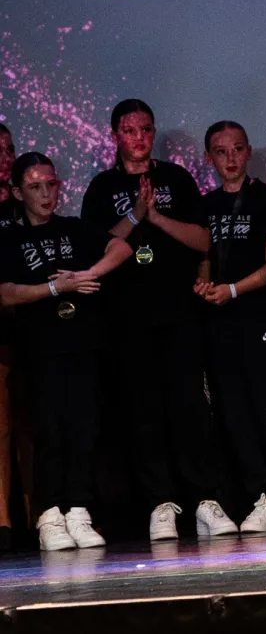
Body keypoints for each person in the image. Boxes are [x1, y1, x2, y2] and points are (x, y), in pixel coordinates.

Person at [81, 99, 237, 540]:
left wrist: (156, 216)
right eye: (129, 131)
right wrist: (134, 215)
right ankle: (160, 503)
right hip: (127, 318)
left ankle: (205, 499)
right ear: (115, 136)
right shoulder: (102, 187)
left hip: (179, 313)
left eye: (146, 129)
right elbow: (95, 246)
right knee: (143, 412)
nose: (139, 138)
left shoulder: (176, 179)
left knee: (191, 407)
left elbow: (202, 239)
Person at [2, 153, 133, 550]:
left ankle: (78, 509)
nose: (46, 194)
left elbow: (121, 248)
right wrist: (56, 288)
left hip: (83, 344)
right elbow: (6, 292)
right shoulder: (9, 237)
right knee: (49, 431)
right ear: (17, 192)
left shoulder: (73, 228)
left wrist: (88, 274)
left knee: (83, 428)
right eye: (35, 187)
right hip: (41, 350)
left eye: (51, 184)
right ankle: (49, 514)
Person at [195, 121, 266, 532]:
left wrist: (234, 290)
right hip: (220, 322)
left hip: (261, 317)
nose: (230, 158)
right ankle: (263, 497)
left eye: (237, 149)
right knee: (235, 413)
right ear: (208, 157)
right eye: (221, 151)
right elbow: (204, 256)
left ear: (249, 151)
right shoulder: (204, 205)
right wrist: (204, 282)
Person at [0, 124, 17, 550]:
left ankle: (40, 515)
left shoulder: (25, 204)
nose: (5, 158)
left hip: (34, 327)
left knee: (36, 429)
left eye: (9, 150)